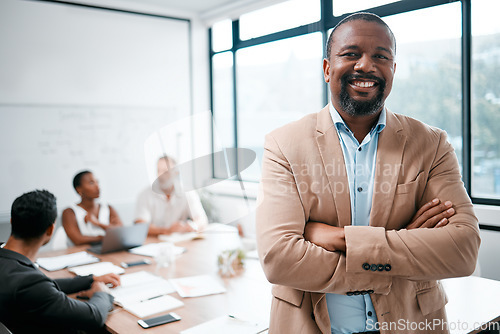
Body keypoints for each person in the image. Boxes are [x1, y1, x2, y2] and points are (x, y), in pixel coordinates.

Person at [256, 12, 480, 334]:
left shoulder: (431, 144)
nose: (365, 65)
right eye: (351, 54)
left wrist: (336, 237)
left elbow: (463, 250)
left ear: (393, 70)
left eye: (381, 56)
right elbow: (279, 258)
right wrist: (403, 244)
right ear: (326, 68)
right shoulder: (283, 145)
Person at [0, 190, 120, 334]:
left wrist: (91, 279)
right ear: (50, 229)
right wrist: (102, 293)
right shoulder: (28, 283)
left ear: (13, 221)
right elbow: (93, 317)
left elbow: (45, 285)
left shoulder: (12, 267)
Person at [135, 155, 208, 236]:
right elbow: (140, 225)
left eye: (165, 171)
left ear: (176, 173)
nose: (160, 175)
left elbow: (202, 220)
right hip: (154, 241)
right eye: (158, 171)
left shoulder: (187, 192)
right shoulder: (145, 194)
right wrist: (166, 231)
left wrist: (192, 226)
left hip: (179, 241)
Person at [62, 170, 123, 246]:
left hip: (107, 250)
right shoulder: (69, 212)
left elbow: (121, 232)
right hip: (81, 253)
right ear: (79, 189)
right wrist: (105, 237)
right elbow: (78, 240)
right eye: (91, 183)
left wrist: (98, 223)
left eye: (97, 182)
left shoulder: (108, 208)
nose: (97, 186)